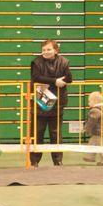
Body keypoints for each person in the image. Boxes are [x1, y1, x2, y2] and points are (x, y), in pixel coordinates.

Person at [30, 39, 73, 167]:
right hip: (40, 102)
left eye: (48, 49)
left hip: (58, 102)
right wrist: (55, 81)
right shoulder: (36, 62)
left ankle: (58, 160)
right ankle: (34, 161)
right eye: (43, 50)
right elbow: (36, 77)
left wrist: (59, 80)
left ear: (56, 50)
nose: (46, 52)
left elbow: (69, 78)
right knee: (38, 133)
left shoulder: (64, 62)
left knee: (56, 133)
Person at [83, 91, 103, 166]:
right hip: (102, 131)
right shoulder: (101, 109)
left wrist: (86, 129)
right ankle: (90, 157)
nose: (88, 103)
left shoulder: (95, 110)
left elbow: (91, 121)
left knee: (101, 146)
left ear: (95, 102)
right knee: (93, 143)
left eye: (89, 101)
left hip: (99, 132)